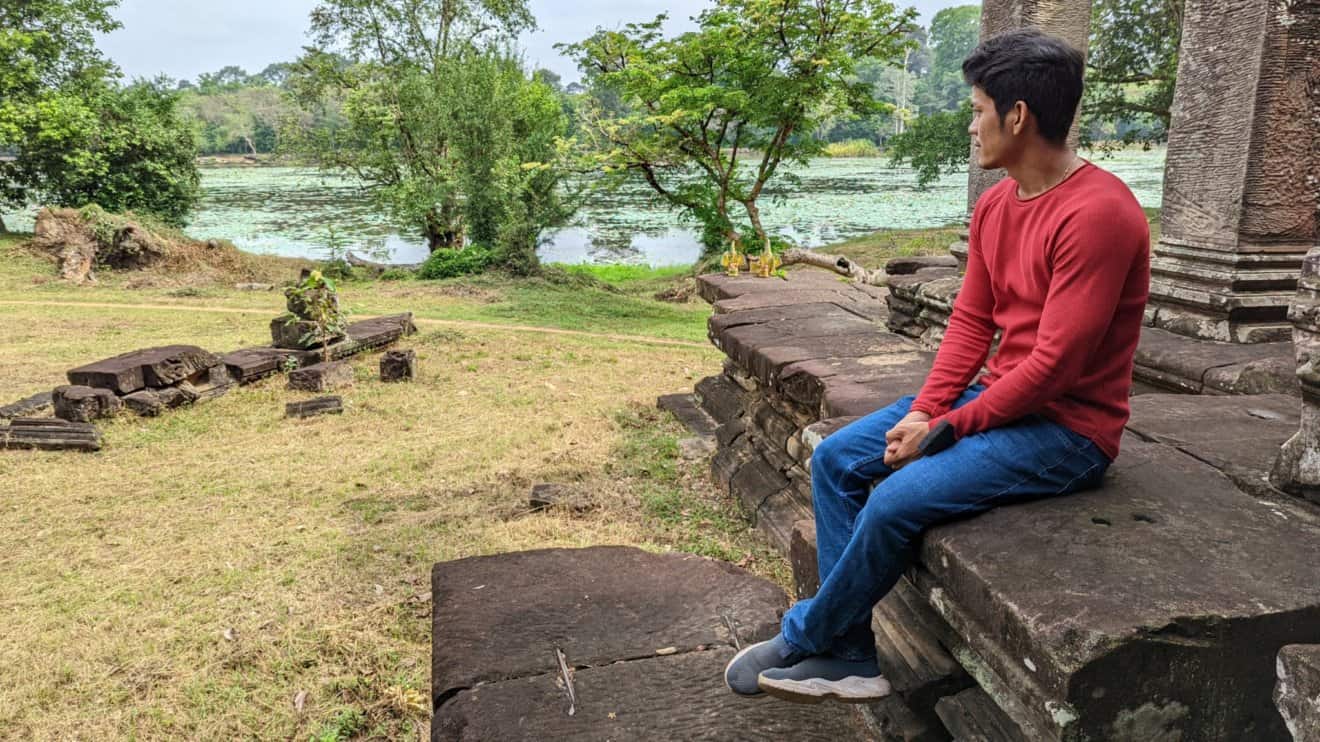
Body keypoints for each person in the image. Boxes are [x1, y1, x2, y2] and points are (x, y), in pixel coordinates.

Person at [724, 27, 1151, 703]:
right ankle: (852, 655)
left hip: (1066, 431)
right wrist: (928, 409)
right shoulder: (995, 205)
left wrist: (946, 430)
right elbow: (972, 325)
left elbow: (1057, 367)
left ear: (1018, 116)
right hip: (995, 399)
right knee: (837, 459)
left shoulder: (1099, 214)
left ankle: (808, 635)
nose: (972, 124)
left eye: (979, 109)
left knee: (894, 499)